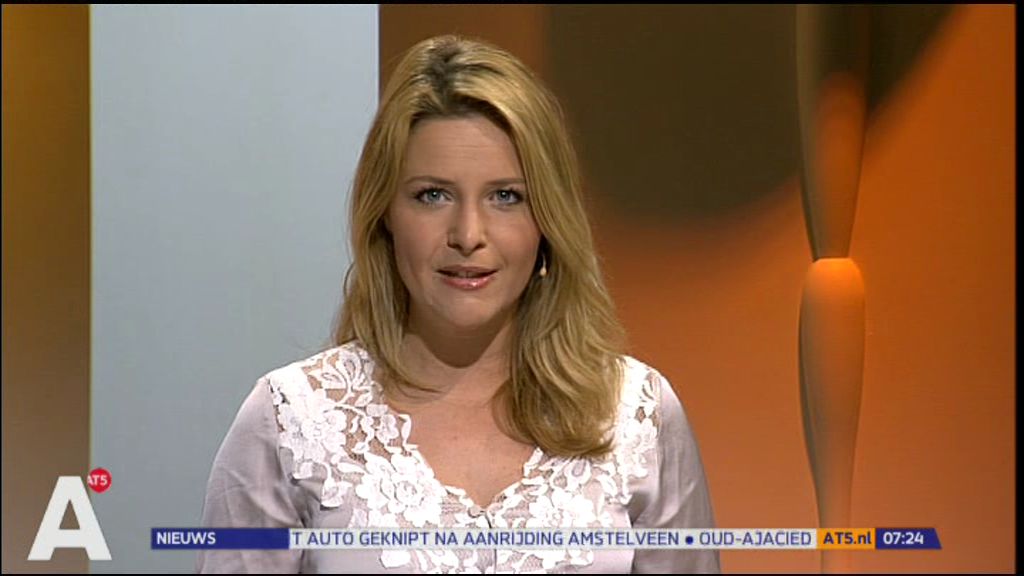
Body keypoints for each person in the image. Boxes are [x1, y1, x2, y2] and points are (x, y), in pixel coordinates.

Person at [198, 34, 719, 574]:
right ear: (385, 215)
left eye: (506, 197)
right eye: (433, 195)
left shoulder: (637, 415)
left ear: (548, 221)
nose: (468, 235)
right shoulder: (290, 420)